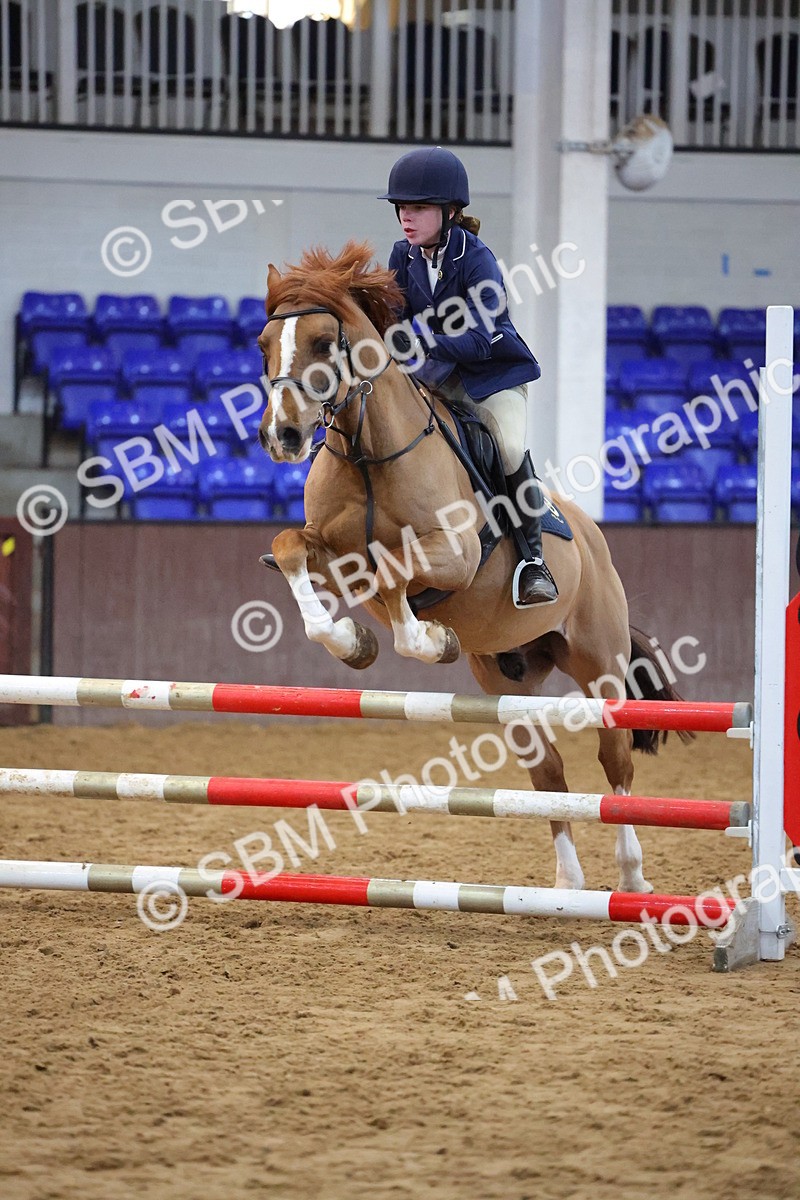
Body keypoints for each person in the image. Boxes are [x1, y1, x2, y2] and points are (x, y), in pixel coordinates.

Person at [379, 146, 558, 608]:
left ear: (450, 211)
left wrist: (421, 341)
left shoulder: (479, 260)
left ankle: (533, 562)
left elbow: (480, 339)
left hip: (488, 377)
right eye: (402, 207)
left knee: (511, 447)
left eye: (417, 207)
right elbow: (392, 321)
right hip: (433, 376)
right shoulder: (403, 255)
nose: (405, 217)